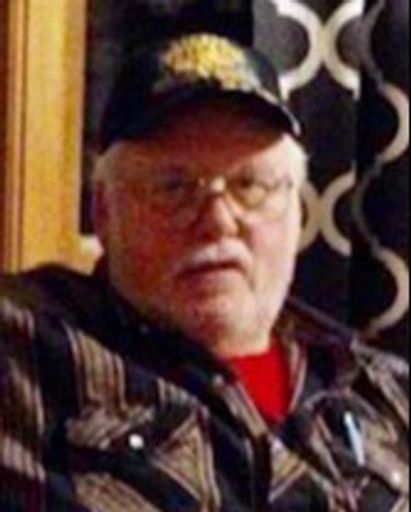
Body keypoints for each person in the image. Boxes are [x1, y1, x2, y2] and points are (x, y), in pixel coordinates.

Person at [0, 33, 409, 512]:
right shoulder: (27, 352)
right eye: (173, 187)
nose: (217, 220)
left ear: (297, 211)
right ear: (104, 212)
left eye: (250, 184)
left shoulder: (379, 387)